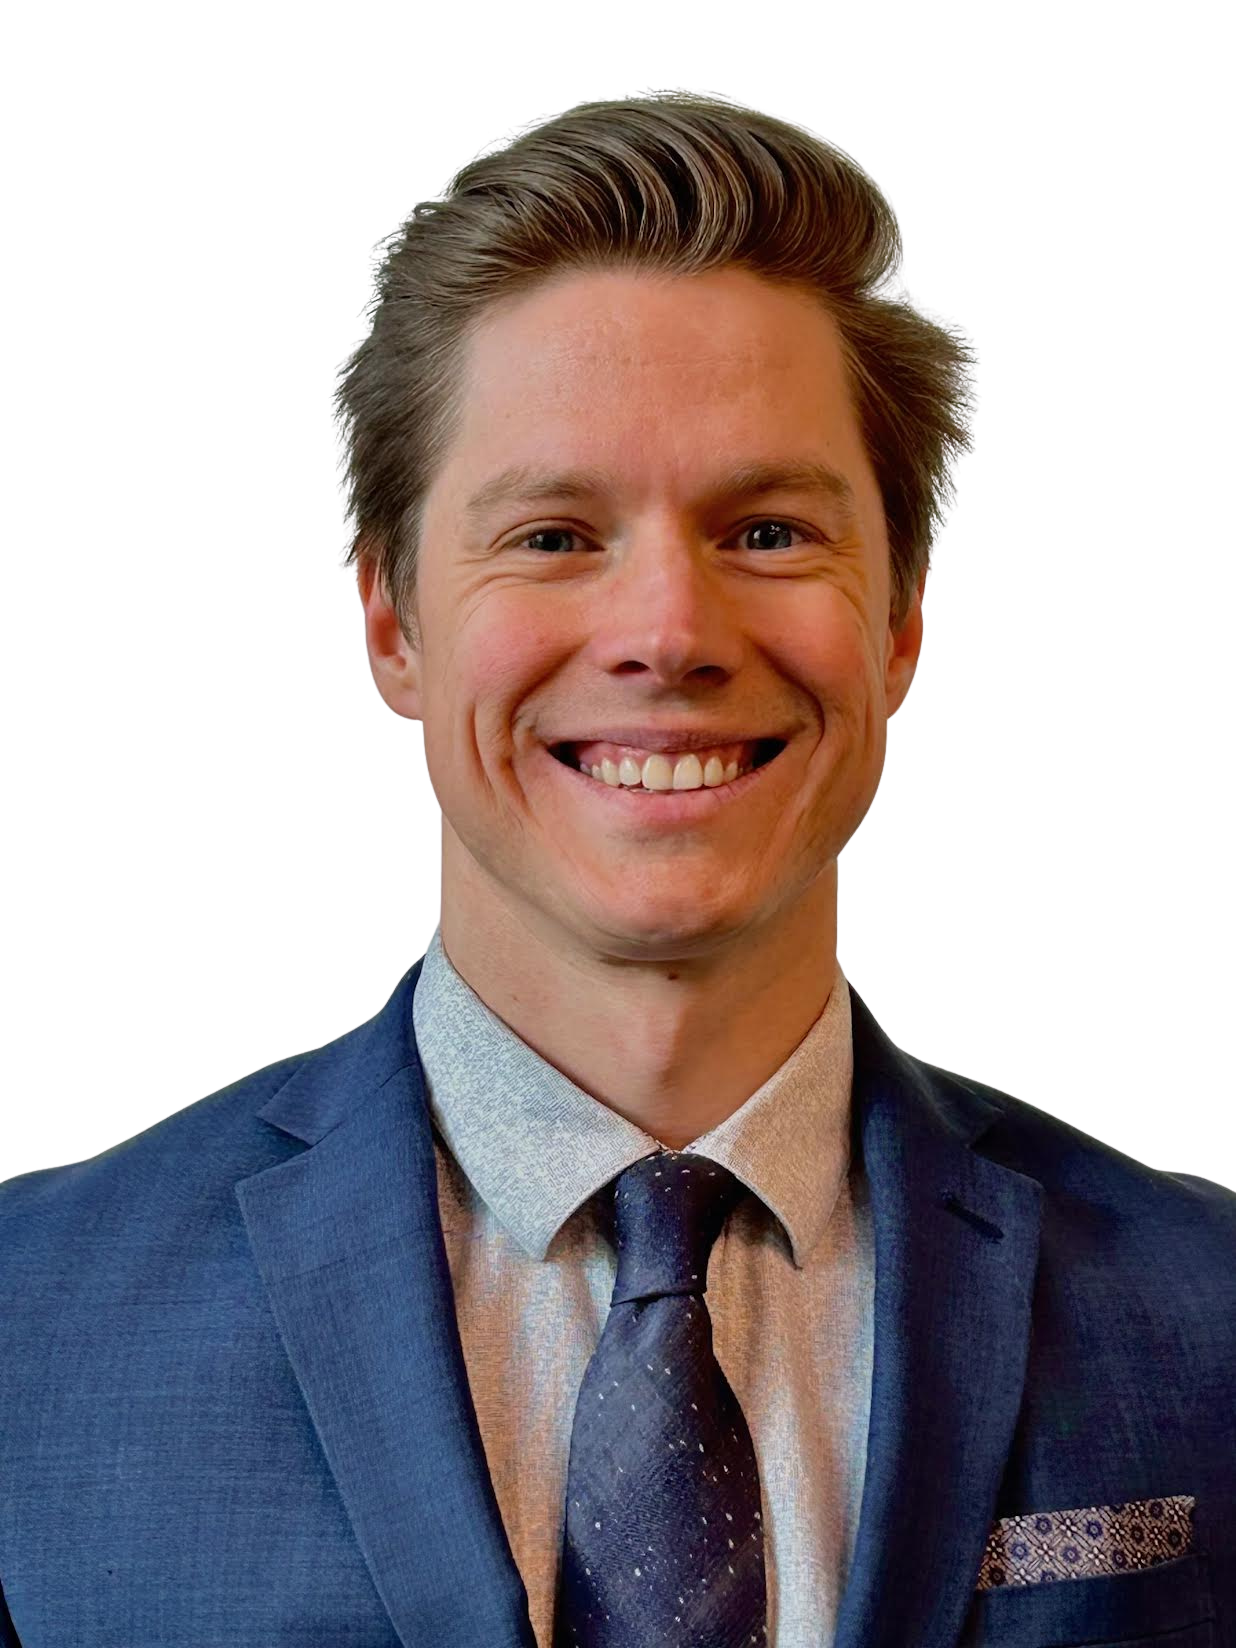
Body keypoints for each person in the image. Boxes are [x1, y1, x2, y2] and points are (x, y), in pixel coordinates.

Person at [1, 90, 1232, 1648]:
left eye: (772, 532)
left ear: (900, 620)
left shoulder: (1211, 1315)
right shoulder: (23, 1330)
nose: (670, 631)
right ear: (392, 621)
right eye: (556, 535)